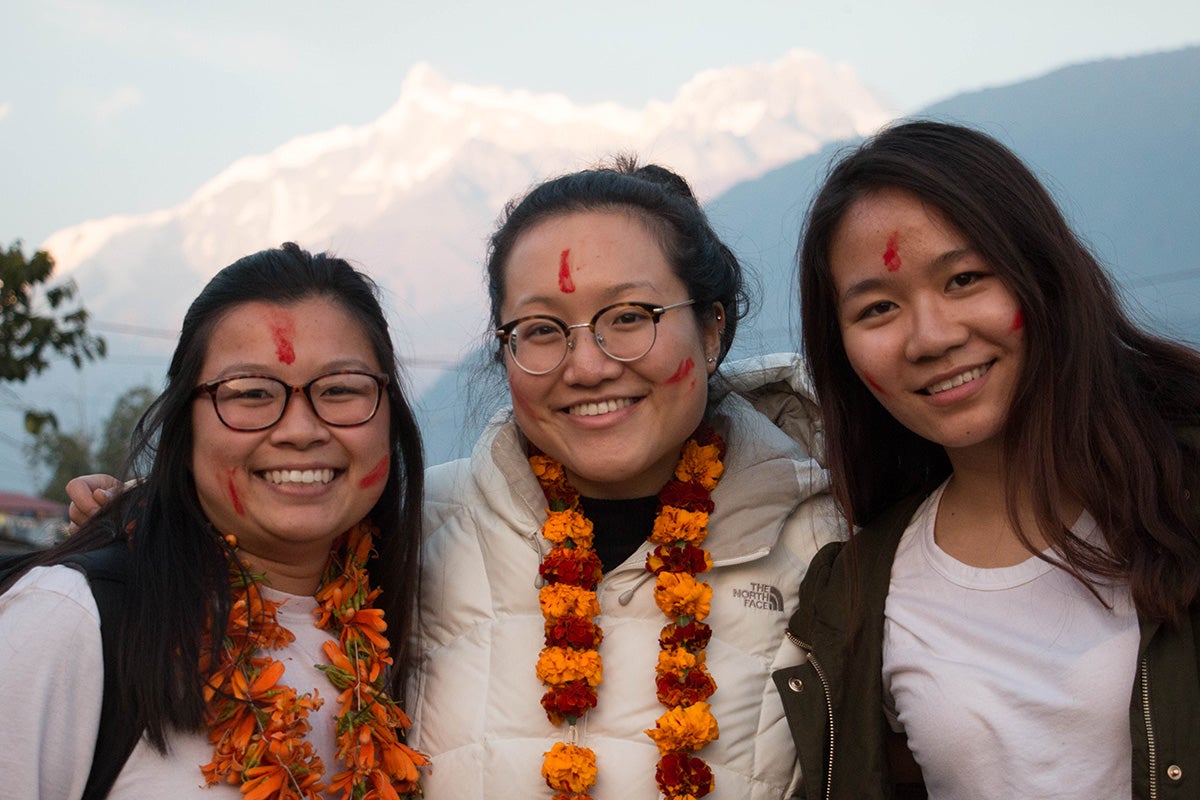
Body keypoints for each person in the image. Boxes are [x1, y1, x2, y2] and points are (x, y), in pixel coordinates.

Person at [68, 160, 840, 799]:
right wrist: (139, 519)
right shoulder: (408, 535)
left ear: (710, 329)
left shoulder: (838, 547)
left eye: (630, 315)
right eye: (540, 330)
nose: (588, 364)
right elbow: (266, 541)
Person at [777, 120, 1200, 799]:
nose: (932, 337)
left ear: (1043, 274)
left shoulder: (1185, 485)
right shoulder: (861, 592)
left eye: (965, 278)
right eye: (878, 308)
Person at [4, 243, 428, 799]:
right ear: (186, 427)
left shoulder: (417, 616)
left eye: (341, 389)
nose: (300, 430)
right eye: (250, 393)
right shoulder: (73, 618)